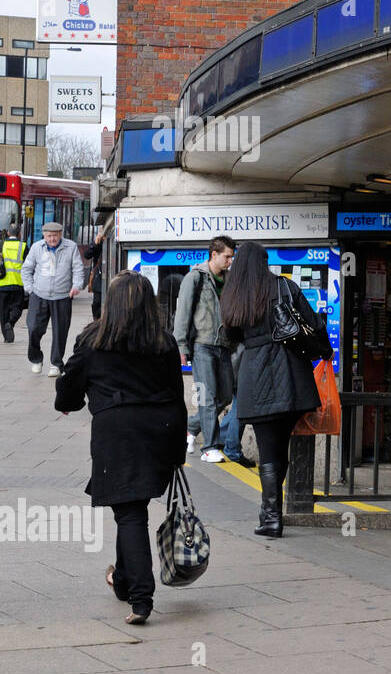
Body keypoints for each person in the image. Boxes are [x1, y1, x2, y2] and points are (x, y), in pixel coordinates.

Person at [54, 271, 187, 625]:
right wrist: (178, 449)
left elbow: (69, 382)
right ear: (149, 303)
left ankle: (141, 598)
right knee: (133, 508)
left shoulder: (93, 340)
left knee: (130, 513)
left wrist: (68, 402)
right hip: (161, 428)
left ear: (110, 303)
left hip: (119, 432)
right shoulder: (164, 342)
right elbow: (178, 394)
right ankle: (123, 579)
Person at [220, 241, 322, 538]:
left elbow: (230, 336)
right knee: (280, 447)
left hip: (256, 373)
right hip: (292, 374)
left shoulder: (235, 294)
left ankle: (271, 517)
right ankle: (273, 513)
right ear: (265, 262)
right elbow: (314, 323)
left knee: (267, 450)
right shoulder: (284, 287)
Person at [173, 235, 236, 462]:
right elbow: (183, 313)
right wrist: (180, 345)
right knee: (207, 398)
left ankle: (190, 427)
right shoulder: (195, 278)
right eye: (227, 256)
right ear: (214, 255)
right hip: (202, 345)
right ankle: (210, 447)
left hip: (225, 345)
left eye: (232, 256)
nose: (230, 261)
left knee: (226, 395)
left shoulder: (230, 280)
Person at [21, 221, 85, 377]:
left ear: (60, 234)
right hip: (39, 295)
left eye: (55, 236)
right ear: (44, 236)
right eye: (49, 236)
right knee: (33, 327)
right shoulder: (37, 247)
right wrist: (30, 289)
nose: (52, 239)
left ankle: (56, 364)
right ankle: (36, 358)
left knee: (60, 332)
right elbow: (26, 269)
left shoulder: (70, 247)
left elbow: (78, 268)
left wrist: (77, 285)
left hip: (62, 296)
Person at [217, 343, 255, 467]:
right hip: (240, 365)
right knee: (240, 407)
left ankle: (222, 439)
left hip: (231, 364)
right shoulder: (245, 326)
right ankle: (232, 450)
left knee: (237, 405)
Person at [0, 229, 25, 343]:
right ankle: (11, 321)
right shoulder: (23, 246)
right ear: (19, 234)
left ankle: (7, 337)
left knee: (3, 311)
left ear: (8, 233)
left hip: (2, 284)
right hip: (18, 283)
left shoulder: (2, 245)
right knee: (18, 307)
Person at [84, 225, 110, 321]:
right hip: (99, 277)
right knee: (97, 302)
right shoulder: (98, 243)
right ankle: (97, 320)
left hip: (111, 276)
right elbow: (87, 255)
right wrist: (95, 244)